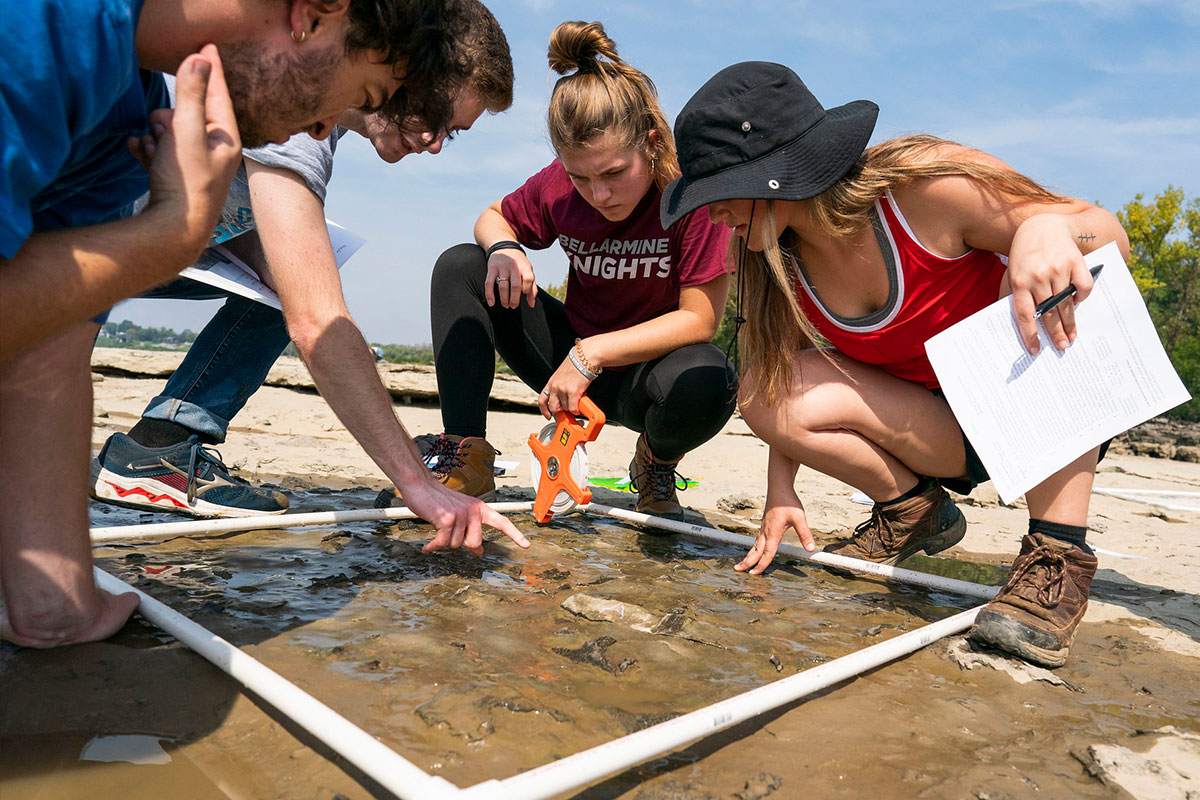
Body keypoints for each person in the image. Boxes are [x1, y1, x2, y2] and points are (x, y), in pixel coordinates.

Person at [0, 0, 493, 649]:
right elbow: (315, 316)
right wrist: (176, 230)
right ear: (315, 15)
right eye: (369, 94)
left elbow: (45, 354)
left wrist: (57, 608)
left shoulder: (122, 122)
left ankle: (162, 443)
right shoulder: (47, 26)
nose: (321, 131)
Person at [661, 61, 1129, 668]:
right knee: (762, 391)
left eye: (717, 193)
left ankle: (1054, 558)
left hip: (1046, 411)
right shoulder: (774, 258)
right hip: (950, 433)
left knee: (1055, 285)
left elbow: (1106, 235)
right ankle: (914, 510)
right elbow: (785, 371)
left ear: (772, 176)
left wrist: (1044, 230)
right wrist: (781, 493)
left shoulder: (924, 188)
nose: (710, 213)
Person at [91, 0, 516, 524]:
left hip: (125, 236)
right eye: (433, 112)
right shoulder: (296, 101)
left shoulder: (313, 116)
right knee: (307, 287)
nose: (432, 142)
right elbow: (316, 321)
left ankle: (164, 442)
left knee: (303, 269)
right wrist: (416, 482)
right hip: (84, 227)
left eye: (453, 133)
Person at [383, 20, 737, 518]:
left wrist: (591, 354)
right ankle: (468, 455)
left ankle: (655, 463)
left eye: (614, 173)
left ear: (652, 143)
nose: (600, 194)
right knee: (463, 264)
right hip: (563, 359)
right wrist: (506, 247)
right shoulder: (561, 187)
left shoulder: (690, 198)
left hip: (649, 375)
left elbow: (700, 320)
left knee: (711, 374)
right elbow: (491, 216)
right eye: (581, 177)